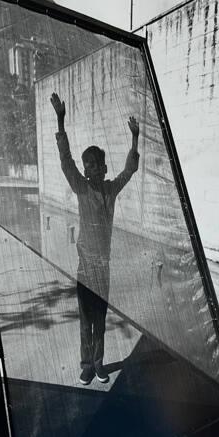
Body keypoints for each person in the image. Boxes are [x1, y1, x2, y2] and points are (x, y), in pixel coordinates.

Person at [51, 92, 140, 386]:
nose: (91, 169)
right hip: (85, 267)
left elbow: (129, 170)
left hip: (103, 268)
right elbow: (66, 163)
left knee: (100, 320)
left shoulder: (111, 190)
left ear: (103, 167)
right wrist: (60, 120)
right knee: (85, 319)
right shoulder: (81, 189)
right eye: (87, 165)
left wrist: (135, 140)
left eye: (96, 164)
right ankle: (87, 365)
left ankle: (99, 364)